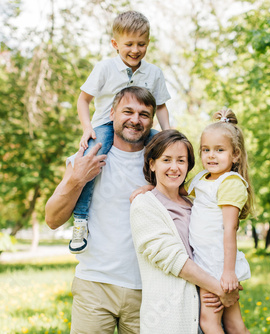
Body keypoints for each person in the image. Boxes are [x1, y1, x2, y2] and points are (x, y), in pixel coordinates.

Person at [46, 86, 160, 334]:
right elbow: (52, 219)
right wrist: (77, 179)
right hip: (94, 285)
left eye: (144, 114)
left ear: (152, 120)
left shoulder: (163, 163)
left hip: (149, 288)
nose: (135, 120)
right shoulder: (86, 156)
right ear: (112, 113)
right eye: (127, 111)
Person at [70, 10, 171, 254]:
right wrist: (87, 129)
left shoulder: (154, 73)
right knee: (91, 159)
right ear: (115, 44)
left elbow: (161, 106)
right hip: (107, 125)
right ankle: (80, 220)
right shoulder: (105, 68)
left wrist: (169, 133)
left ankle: (168, 208)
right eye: (129, 44)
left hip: (142, 127)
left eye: (141, 44)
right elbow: (83, 100)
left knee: (169, 152)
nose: (135, 50)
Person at [130, 129, 241, 334]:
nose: (174, 167)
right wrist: (221, 289)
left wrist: (223, 286)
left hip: (209, 308)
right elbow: (175, 261)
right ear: (152, 164)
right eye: (166, 160)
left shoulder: (195, 203)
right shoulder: (145, 205)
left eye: (181, 161)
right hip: (172, 319)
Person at [188, 108, 254, 334]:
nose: (211, 155)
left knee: (209, 322)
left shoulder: (230, 182)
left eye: (219, 150)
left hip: (214, 262)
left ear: (235, 155)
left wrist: (227, 272)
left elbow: (230, 229)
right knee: (234, 324)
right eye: (205, 150)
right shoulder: (202, 179)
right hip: (207, 258)